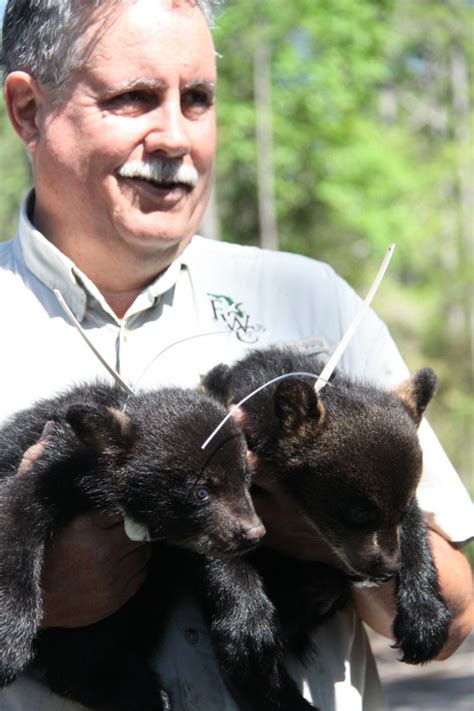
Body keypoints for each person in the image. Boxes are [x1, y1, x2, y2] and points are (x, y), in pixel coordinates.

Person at [0, 1, 472, 709]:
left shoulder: (314, 302)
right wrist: (35, 593)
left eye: (198, 99)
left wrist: (326, 530)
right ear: (29, 109)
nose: (175, 136)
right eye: (133, 98)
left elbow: (450, 621)